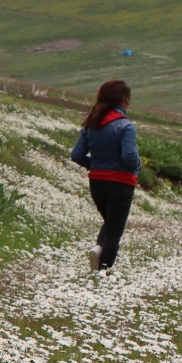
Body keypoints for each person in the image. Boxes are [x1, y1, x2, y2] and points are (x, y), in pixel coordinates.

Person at [70, 79, 140, 272]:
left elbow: (76, 155)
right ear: (123, 99)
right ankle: (103, 272)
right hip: (121, 183)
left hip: (96, 182)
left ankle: (98, 250)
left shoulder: (91, 124)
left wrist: (96, 165)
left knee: (110, 222)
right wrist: (138, 166)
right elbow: (129, 157)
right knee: (115, 229)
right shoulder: (126, 126)